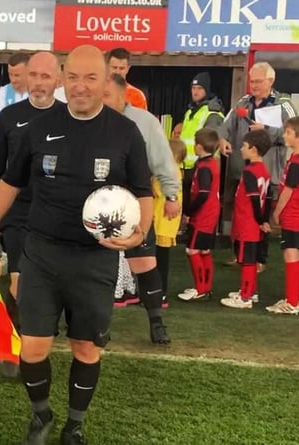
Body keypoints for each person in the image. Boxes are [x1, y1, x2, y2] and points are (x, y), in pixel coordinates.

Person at [0, 44, 153, 445]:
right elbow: (10, 181)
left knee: (86, 348)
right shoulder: (38, 127)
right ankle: (41, 416)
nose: (81, 86)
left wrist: (140, 231)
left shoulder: (124, 132)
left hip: (95, 258)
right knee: (33, 347)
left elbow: (142, 190)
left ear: (106, 79)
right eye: (73, 77)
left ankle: (75, 423)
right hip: (42, 252)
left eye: (91, 78)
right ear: (62, 77)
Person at [0, 51, 65, 342]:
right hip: (17, 214)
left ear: (58, 79)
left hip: (55, 216)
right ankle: (14, 346)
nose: (39, 83)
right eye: (34, 75)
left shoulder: (69, 118)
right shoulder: (9, 117)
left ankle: (38, 333)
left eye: (46, 76)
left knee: (48, 285)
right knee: (19, 285)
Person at [103, 73, 180, 343]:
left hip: (136, 204)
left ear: (122, 95)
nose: (101, 99)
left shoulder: (144, 122)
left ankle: (157, 323)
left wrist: (172, 195)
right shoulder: (89, 120)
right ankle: (97, 323)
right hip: (99, 205)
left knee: (145, 264)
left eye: (107, 94)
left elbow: (162, 160)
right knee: (97, 266)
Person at [218, 62, 297, 271]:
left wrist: (268, 130)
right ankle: (239, 254)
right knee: (240, 213)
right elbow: (225, 124)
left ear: (271, 81)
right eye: (251, 81)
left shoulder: (283, 103)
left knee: (260, 216)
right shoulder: (243, 101)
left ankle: (259, 259)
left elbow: (296, 133)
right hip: (241, 170)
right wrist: (222, 139)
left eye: (258, 81)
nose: (253, 85)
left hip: (268, 171)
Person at [266, 116, 299, 315]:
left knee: (290, 253)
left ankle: (292, 302)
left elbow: (288, 190)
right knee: (295, 253)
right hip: (298, 213)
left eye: (288, 132)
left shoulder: (298, 161)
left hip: (294, 213)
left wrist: (277, 211)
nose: (285, 135)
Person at [220, 130, 272, 310]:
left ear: (254, 149)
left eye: (244, 146)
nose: (240, 148)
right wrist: (264, 220)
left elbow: (255, 199)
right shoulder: (263, 170)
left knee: (247, 261)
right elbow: (268, 198)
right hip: (252, 223)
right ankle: (249, 291)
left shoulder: (250, 171)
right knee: (249, 259)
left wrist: (258, 220)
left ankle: (245, 297)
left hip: (248, 223)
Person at [178, 128, 221, 302]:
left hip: (203, 215)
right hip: (211, 213)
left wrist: (189, 211)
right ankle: (206, 287)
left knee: (192, 250)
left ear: (199, 146)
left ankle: (200, 288)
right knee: (204, 250)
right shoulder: (212, 163)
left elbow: (202, 193)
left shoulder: (203, 167)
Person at [180, 72, 224, 207]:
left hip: (201, 167)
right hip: (185, 167)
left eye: (199, 88)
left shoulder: (212, 112)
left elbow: (210, 143)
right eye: (193, 88)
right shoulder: (190, 111)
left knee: (197, 207)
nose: (195, 91)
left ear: (207, 90)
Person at [155, 139, 186, 300]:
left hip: (162, 221)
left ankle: (160, 293)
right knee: (160, 259)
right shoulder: (176, 171)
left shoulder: (169, 172)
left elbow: (158, 190)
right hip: (164, 222)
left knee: (160, 260)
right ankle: (159, 292)